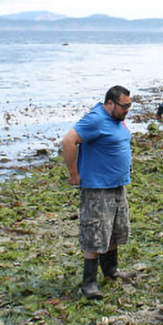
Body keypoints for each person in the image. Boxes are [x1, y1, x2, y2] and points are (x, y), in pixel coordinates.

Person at [61, 85, 133, 300]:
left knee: (114, 230)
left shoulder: (117, 118)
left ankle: (111, 271)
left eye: (130, 106)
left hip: (117, 184)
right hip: (97, 187)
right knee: (94, 233)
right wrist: (74, 174)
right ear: (110, 103)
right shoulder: (95, 118)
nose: (127, 110)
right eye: (124, 106)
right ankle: (89, 282)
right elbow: (68, 141)